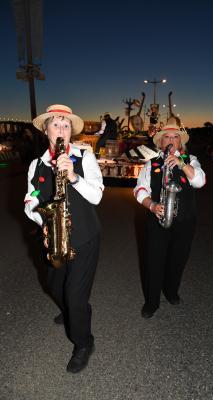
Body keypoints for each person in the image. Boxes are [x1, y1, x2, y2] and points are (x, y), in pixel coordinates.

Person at [24, 104, 104, 373]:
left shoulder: (84, 157)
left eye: (66, 125)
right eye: (56, 124)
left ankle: (83, 342)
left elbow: (96, 196)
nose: (61, 129)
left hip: (84, 237)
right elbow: (29, 201)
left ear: (71, 132)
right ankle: (71, 310)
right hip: (54, 236)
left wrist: (73, 176)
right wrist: (42, 221)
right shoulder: (36, 165)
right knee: (54, 286)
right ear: (46, 130)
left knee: (75, 297)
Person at [134, 123, 206, 318]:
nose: (171, 140)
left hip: (185, 220)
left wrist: (181, 163)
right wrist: (151, 205)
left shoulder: (191, 160)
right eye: (167, 137)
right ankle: (152, 301)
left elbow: (199, 181)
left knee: (178, 259)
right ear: (161, 142)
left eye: (175, 137)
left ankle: (171, 290)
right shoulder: (152, 164)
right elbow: (140, 190)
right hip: (158, 218)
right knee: (154, 261)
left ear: (180, 142)